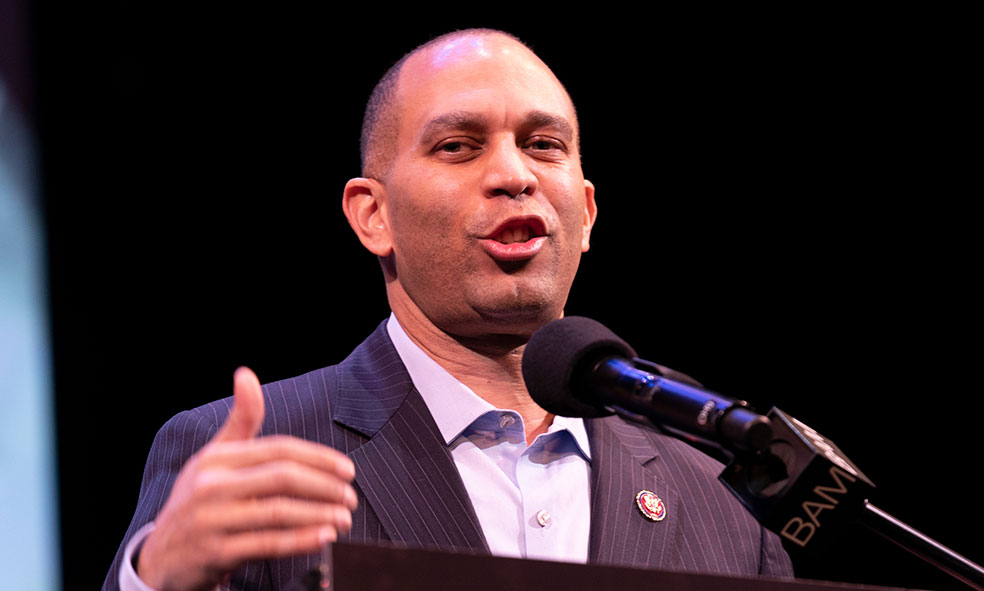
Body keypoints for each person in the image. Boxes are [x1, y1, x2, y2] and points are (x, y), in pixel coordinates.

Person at [103, 28, 793, 591]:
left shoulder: (721, 493)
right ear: (373, 217)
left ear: (585, 213)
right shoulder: (247, 454)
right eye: (457, 146)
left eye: (542, 145)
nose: (513, 175)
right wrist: (159, 579)